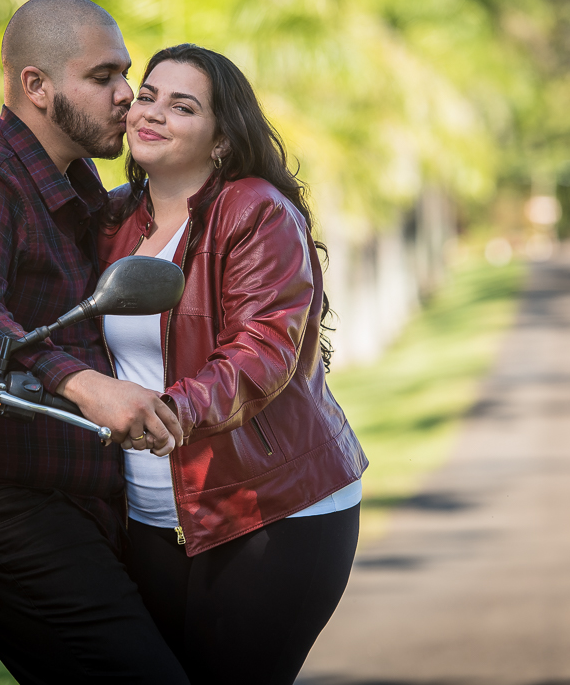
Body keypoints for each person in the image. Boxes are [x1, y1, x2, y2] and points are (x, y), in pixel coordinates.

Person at [0, 0, 188, 684]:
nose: (128, 94)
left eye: (125, 73)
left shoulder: (79, 190)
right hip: (3, 502)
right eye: (104, 77)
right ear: (35, 85)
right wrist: (87, 385)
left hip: (82, 501)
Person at [98, 44, 369, 685]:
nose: (153, 113)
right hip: (151, 513)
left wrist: (174, 410)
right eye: (148, 96)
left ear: (221, 139)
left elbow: (262, 349)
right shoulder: (112, 220)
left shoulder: (253, 210)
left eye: (183, 106)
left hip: (270, 506)